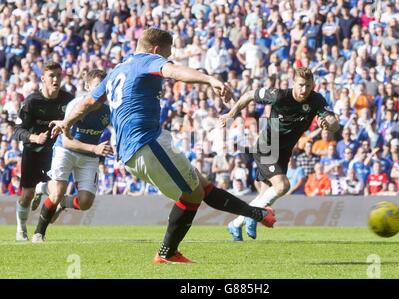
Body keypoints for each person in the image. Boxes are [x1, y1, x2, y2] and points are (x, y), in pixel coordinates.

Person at [50, 28, 275, 264]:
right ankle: (166, 253)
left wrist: (66, 121)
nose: (168, 57)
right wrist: (210, 79)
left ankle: (257, 214)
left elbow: (87, 102)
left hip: (142, 144)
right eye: (167, 53)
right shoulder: (148, 60)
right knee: (193, 194)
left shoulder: (118, 70)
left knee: (201, 184)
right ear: (156, 50)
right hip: (146, 142)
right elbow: (174, 71)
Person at [220, 67, 339, 241]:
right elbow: (249, 95)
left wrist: (330, 124)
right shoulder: (279, 95)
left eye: (307, 85)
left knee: (268, 193)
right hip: (267, 146)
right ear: (293, 83)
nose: (304, 90)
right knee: (282, 186)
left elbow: (333, 122)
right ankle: (253, 215)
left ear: (313, 84)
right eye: (300, 85)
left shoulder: (316, 100)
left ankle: (236, 224)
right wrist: (231, 113)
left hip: (284, 151)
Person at [31, 69, 112, 243]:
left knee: (85, 202)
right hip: (66, 151)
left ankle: (57, 200)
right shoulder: (76, 105)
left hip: (89, 156)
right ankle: (39, 234)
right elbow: (67, 142)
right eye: (98, 87)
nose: (102, 92)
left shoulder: (108, 110)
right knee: (56, 194)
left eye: (105, 87)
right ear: (87, 86)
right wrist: (94, 148)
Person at [13, 61, 73, 241]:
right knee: (26, 196)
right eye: (51, 76)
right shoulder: (32, 101)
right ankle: (21, 228)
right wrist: (34, 138)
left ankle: (39, 232)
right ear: (43, 79)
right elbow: (17, 130)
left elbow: (75, 124)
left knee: (57, 193)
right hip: (32, 151)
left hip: (55, 153)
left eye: (58, 76)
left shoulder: (68, 100)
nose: (55, 79)